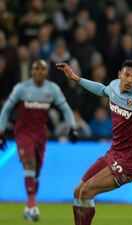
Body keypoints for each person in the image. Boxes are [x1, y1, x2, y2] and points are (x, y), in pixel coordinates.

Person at [56, 60, 132, 225]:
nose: (129, 80)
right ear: (120, 75)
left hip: (131, 161)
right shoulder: (114, 86)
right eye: (127, 75)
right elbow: (101, 89)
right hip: (114, 153)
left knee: (87, 191)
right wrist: (76, 78)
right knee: (78, 191)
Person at [0, 59, 77, 222]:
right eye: (36, 69)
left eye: (42, 69)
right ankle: (32, 204)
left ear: (46, 72)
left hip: (41, 134)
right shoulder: (22, 89)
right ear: (31, 71)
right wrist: (0, 132)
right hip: (23, 133)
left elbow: (65, 108)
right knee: (29, 163)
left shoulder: (52, 89)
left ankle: (29, 208)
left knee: (36, 171)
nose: (39, 72)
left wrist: (73, 127)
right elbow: (6, 109)